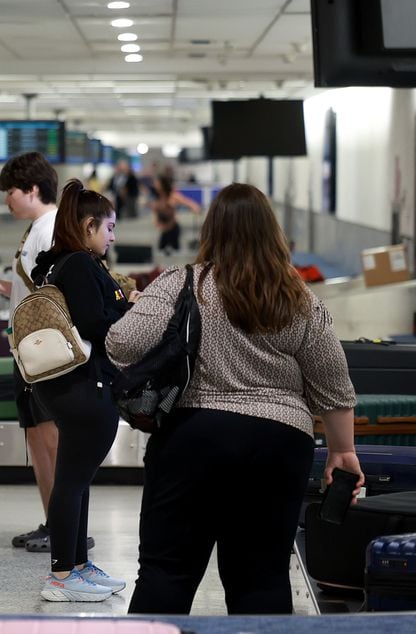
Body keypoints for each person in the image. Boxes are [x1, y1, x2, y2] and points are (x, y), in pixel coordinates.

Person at [108, 184, 361, 614]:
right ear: (272, 232)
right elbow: (334, 384)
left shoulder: (182, 283)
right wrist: (344, 451)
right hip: (279, 443)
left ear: (212, 231)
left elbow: (122, 343)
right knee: (261, 576)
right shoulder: (299, 299)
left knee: (166, 572)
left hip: (193, 439)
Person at [24, 180, 133, 602]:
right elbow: (95, 325)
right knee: (71, 483)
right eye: (108, 227)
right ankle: (61, 575)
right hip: (83, 387)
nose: (112, 236)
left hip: (59, 386)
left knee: (77, 480)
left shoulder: (54, 264)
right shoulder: (80, 266)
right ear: (88, 226)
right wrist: (129, 309)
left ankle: (77, 566)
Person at [0, 152, 62, 553]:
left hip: (46, 353)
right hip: (29, 351)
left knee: (52, 442)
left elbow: (54, 295)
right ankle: (55, 521)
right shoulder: (38, 229)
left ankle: (66, 526)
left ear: (33, 189)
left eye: (11, 192)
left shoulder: (51, 229)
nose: (7, 201)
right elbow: (31, 290)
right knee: (38, 439)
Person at [150, 176, 200, 254]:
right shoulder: (158, 197)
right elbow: (155, 211)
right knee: (161, 250)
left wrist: (194, 207)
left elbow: (187, 202)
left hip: (173, 228)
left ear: (163, 184)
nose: (155, 185)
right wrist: (156, 220)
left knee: (175, 251)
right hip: (164, 229)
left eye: (157, 183)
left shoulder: (172, 195)